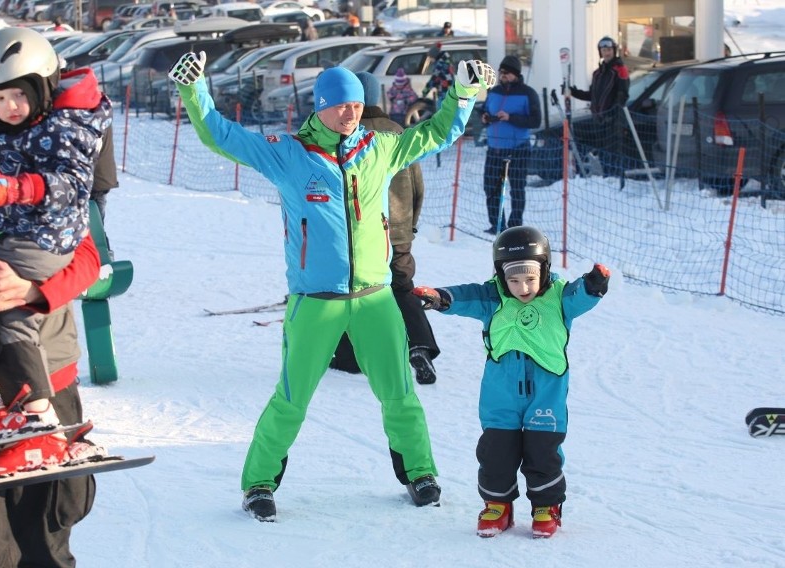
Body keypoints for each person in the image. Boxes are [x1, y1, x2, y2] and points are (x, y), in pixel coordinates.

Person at [170, 50, 495, 521]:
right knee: (291, 398)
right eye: (343, 105)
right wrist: (194, 89)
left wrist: (463, 92)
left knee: (400, 394)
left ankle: (420, 473)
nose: (352, 113)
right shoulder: (289, 154)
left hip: (375, 299)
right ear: (320, 105)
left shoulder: (380, 149)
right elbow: (222, 136)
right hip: (315, 302)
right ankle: (259, 484)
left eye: (358, 105)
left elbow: (438, 132)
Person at [0, 36, 102, 567]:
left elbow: (89, 253)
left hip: (46, 375)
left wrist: (36, 290)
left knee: (50, 534)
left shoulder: (12, 137)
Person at [412, 226, 610, 539]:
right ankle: (497, 505)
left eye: (530, 278)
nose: (522, 287)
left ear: (544, 269)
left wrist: (594, 284)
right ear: (501, 275)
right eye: (513, 280)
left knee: (543, 451)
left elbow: (580, 295)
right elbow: (465, 296)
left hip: (546, 394)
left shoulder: (559, 298)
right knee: (496, 452)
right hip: (500, 394)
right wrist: (439, 298)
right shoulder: (493, 297)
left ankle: (546, 506)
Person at [328, 72, 440, 385]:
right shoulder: (397, 132)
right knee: (402, 288)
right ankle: (420, 345)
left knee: (352, 291)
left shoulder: (345, 133)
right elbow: (417, 186)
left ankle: (349, 358)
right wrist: (410, 225)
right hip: (399, 231)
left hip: (359, 235)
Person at [480, 55, 541, 233]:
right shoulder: (494, 91)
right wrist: (484, 118)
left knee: (516, 188)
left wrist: (510, 118)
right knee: (490, 186)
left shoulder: (528, 93)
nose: (503, 75)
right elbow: (484, 111)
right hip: (495, 148)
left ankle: (514, 226)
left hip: (518, 149)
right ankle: (497, 224)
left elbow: (536, 121)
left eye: (506, 72)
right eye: (501, 71)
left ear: (515, 74)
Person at [566, 36, 629, 178]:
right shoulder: (597, 74)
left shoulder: (620, 70)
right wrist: (573, 92)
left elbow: (622, 96)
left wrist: (612, 114)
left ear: (614, 51)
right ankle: (607, 180)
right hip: (599, 121)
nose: (606, 53)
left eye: (609, 50)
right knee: (603, 156)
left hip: (614, 122)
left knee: (614, 156)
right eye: (603, 50)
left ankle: (616, 181)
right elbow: (592, 96)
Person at [422, 44, 455, 110]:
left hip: (444, 93)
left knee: (441, 113)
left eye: (430, 57)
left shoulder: (440, 65)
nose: (430, 59)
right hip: (450, 91)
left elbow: (433, 79)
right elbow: (442, 77)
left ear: (434, 56)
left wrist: (425, 92)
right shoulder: (446, 61)